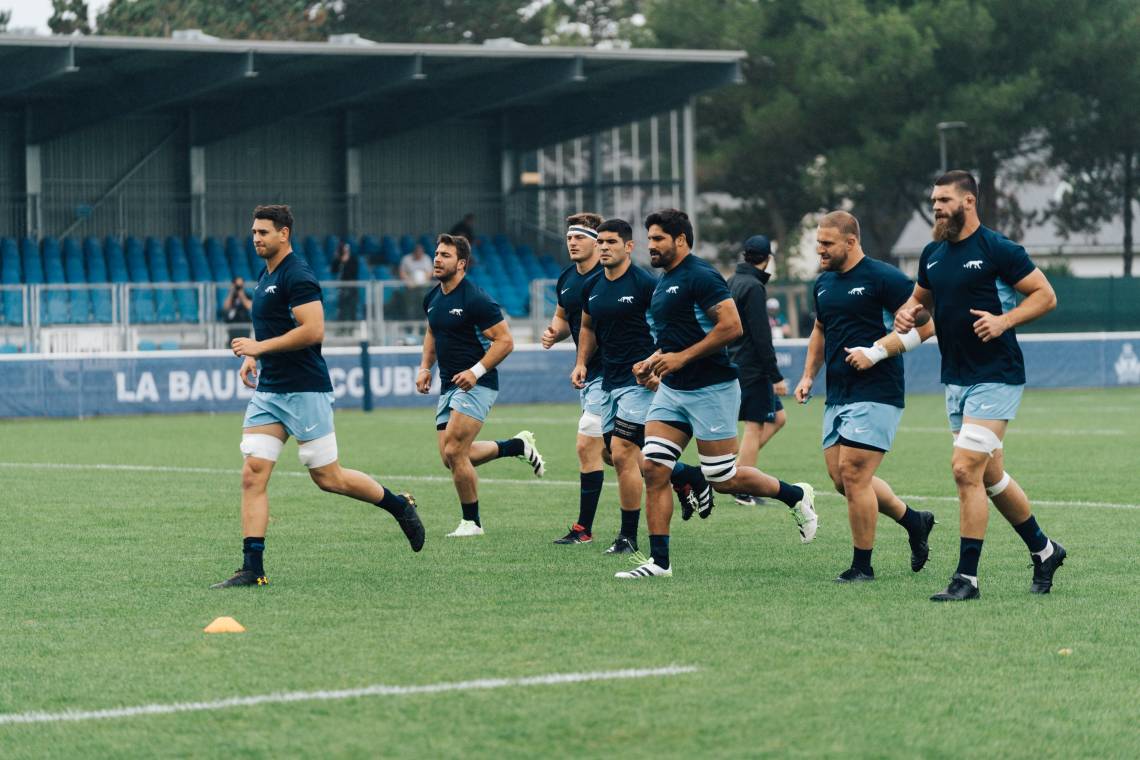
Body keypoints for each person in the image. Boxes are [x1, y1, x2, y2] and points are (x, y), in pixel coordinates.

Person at [212, 205, 424, 588]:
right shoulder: (266, 274)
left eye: (263, 232)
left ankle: (398, 505)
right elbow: (271, 324)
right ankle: (252, 568)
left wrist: (259, 348)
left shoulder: (299, 275)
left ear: (284, 234)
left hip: (306, 389)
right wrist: (253, 356)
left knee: (329, 478)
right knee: (252, 474)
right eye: (254, 232)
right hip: (270, 391)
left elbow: (314, 331)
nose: (256, 238)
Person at [618, 209, 818, 580]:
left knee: (723, 478)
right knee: (653, 467)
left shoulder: (701, 275)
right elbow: (674, 340)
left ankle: (795, 496)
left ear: (681, 239)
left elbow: (733, 327)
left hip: (712, 389)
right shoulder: (664, 281)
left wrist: (681, 358)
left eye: (659, 238)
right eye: (650, 239)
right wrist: (651, 361)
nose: (652, 246)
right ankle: (659, 562)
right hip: (674, 391)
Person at [894, 170, 1065, 601]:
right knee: (990, 477)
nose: (936, 207)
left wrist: (1004, 320)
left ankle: (966, 579)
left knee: (963, 468)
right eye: (933, 200)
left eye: (944, 200)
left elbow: (1046, 295)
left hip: (997, 374)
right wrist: (907, 314)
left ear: (969, 201)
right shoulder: (932, 254)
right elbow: (920, 304)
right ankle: (1045, 550)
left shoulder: (998, 248)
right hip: (955, 379)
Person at [793, 211, 937, 584]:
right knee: (841, 479)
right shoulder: (823, 283)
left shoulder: (883, 277)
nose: (819, 250)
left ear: (851, 242)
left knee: (855, 474)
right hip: (838, 393)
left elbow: (928, 325)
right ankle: (914, 521)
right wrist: (809, 375)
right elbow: (820, 331)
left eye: (827, 243)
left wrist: (877, 351)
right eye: (818, 243)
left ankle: (863, 566)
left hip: (878, 390)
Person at [417, 233, 545, 537]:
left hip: (478, 383)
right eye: (436, 254)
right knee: (450, 457)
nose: (437, 259)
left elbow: (505, 341)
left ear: (461, 264)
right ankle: (517, 446)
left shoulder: (476, 298)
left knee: (455, 451)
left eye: (445, 255)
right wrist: (425, 367)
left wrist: (475, 371)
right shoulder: (433, 298)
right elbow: (432, 333)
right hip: (449, 384)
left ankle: (471, 523)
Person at [571, 218, 676, 555]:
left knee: (622, 452)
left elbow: (668, 328)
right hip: (607, 381)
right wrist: (581, 362)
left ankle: (628, 537)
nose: (603, 247)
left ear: (629, 247)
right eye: (600, 242)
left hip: (638, 382)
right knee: (615, 454)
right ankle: (688, 477)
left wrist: (654, 364)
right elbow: (587, 326)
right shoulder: (593, 286)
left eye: (611, 242)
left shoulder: (646, 284)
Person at [541, 213, 609, 544]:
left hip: (611, 372)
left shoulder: (608, 277)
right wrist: (555, 333)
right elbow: (564, 316)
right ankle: (684, 478)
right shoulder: (567, 278)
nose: (572, 242)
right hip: (588, 372)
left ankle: (583, 529)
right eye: (569, 237)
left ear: (597, 242)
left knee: (586, 446)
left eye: (579, 237)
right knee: (615, 453)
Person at [727, 235, 787, 506]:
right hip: (752, 367)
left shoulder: (733, 281)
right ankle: (742, 487)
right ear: (768, 258)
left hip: (736, 361)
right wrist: (776, 376)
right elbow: (762, 336)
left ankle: (734, 471)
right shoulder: (753, 286)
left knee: (778, 418)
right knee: (755, 426)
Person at [329, 242, 360, 322]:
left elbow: (353, 273)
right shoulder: (338, 260)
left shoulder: (353, 259)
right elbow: (333, 270)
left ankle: (352, 326)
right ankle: (342, 327)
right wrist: (338, 259)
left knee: (352, 308)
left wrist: (345, 262)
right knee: (342, 308)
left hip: (351, 288)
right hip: (342, 288)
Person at [223, 275, 253, 342]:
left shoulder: (247, 296)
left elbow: (249, 306)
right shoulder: (231, 297)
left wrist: (241, 295)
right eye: (237, 286)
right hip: (233, 325)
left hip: (245, 325)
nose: (239, 287)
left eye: (241, 285)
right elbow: (226, 307)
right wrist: (231, 292)